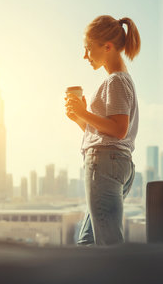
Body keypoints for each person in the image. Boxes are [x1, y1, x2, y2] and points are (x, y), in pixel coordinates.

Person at [65, 15, 140, 246]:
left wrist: (85, 113)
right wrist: (80, 117)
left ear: (107, 47)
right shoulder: (122, 80)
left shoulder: (115, 82)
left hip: (105, 165)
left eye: (88, 49)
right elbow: (106, 133)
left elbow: (119, 130)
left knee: (108, 247)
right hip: (115, 163)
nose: (85, 56)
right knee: (87, 242)